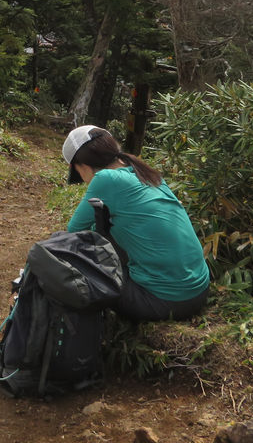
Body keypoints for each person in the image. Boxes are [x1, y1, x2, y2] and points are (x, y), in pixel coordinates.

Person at [61, 125, 209, 322]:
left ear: (83, 166)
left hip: (162, 301)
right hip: (199, 291)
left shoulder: (105, 179)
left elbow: (73, 234)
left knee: (81, 271)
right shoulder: (145, 173)